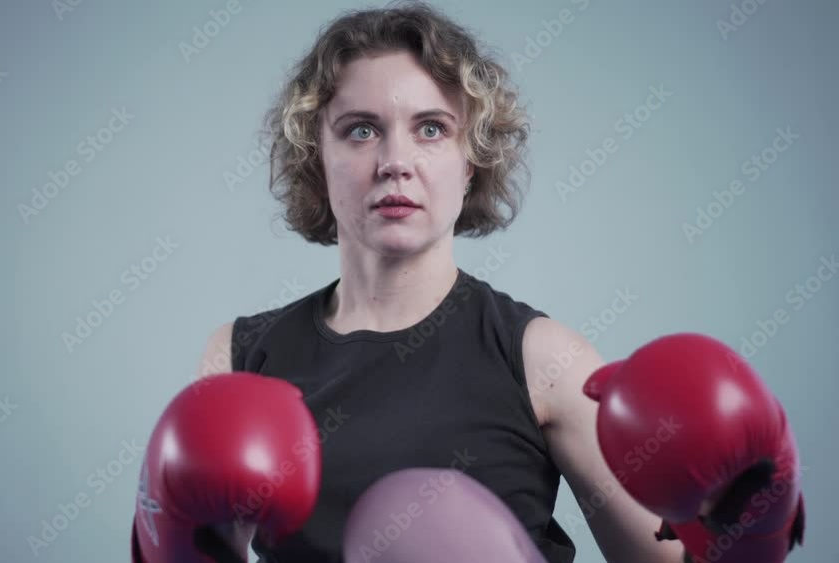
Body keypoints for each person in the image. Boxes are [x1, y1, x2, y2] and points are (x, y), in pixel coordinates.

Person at [131, 2, 804, 562]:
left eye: (431, 129)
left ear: (471, 162)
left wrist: (751, 513)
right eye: (360, 130)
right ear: (318, 157)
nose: (396, 161)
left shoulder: (541, 358)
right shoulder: (239, 358)